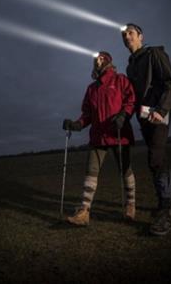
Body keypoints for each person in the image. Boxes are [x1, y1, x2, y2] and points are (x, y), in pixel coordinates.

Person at [121, 23, 171, 236]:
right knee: (160, 157)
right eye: (124, 34)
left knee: (155, 158)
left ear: (140, 36)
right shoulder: (130, 66)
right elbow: (133, 96)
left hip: (159, 113)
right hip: (144, 117)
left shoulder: (154, 53)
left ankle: (165, 211)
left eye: (130, 32)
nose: (126, 36)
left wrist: (162, 109)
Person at [62, 51, 136, 226]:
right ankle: (84, 212)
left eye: (101, 59)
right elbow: (87, 114)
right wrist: (77, 124)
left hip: (118, 133)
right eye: (95, 60)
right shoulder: (92, 88)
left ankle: (131, 205)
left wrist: (123, 115)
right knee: (91, 171)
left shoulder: (120, 80)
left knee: (125, 169)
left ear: (109, 61)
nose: (98, 61)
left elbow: (131, 101)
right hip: (98, 136)